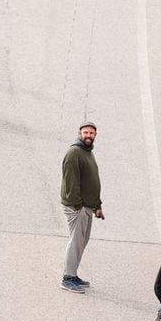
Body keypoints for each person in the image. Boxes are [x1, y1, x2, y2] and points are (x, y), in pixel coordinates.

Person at [60, 122, 101, 294]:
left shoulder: (87, 153)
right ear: (79, 133)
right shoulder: (74, 153)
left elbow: (91, 181)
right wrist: (77, 206)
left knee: (81, 242)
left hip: (87, 206)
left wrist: (97, 205)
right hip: (77, 207)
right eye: (86, 132)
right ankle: (67, 278)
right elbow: (71, 182)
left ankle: (73, 274)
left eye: (91, 133)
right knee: (76, 242)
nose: (89, 135)